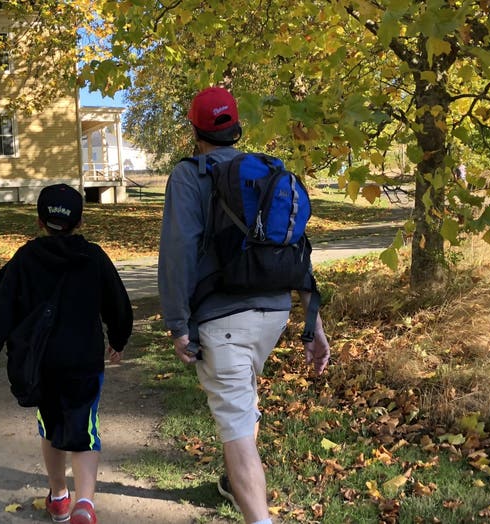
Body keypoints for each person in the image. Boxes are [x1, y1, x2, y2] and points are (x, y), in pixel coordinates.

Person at [157, 87, 331, 524]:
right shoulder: (266, 172)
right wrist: (315, 324)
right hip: (274, 314)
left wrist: (177, 323)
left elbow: (178, 249)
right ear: (236, 127)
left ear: (195, 128)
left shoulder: (189, 175)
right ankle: (232, 487)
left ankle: (259, 517)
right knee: (245, 398)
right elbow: (296, 246)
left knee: (236, 425)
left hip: (222, 319)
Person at [0, 183, 133, 524]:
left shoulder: (25, 259)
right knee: (85, 431)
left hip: (40, 364)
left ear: (39, 221)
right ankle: (85, 503)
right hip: (83, 361)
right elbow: (117, 302)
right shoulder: (93, 258)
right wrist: (118, 337)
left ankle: (58, 497)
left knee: (51, 428)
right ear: (80, 222)